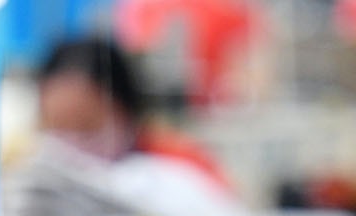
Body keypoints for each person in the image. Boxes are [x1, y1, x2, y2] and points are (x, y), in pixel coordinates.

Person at [34, 37, 232, 193]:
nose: (71, 141)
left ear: (123, 110)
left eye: (85, 125)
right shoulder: (35, 171)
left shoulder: (181, 165)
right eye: (57, 127)